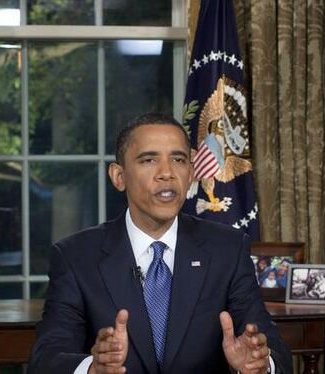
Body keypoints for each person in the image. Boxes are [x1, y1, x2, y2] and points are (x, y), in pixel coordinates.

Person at [29, 113, 292, 374]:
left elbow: (275, 352)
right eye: (149, 160)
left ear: (190, 173)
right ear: (119, 176)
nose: (166, 173)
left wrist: (260, 364)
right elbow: (46, 360)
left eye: (178, 159)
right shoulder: (75, 256)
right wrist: (91, 369)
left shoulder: (228, 249)